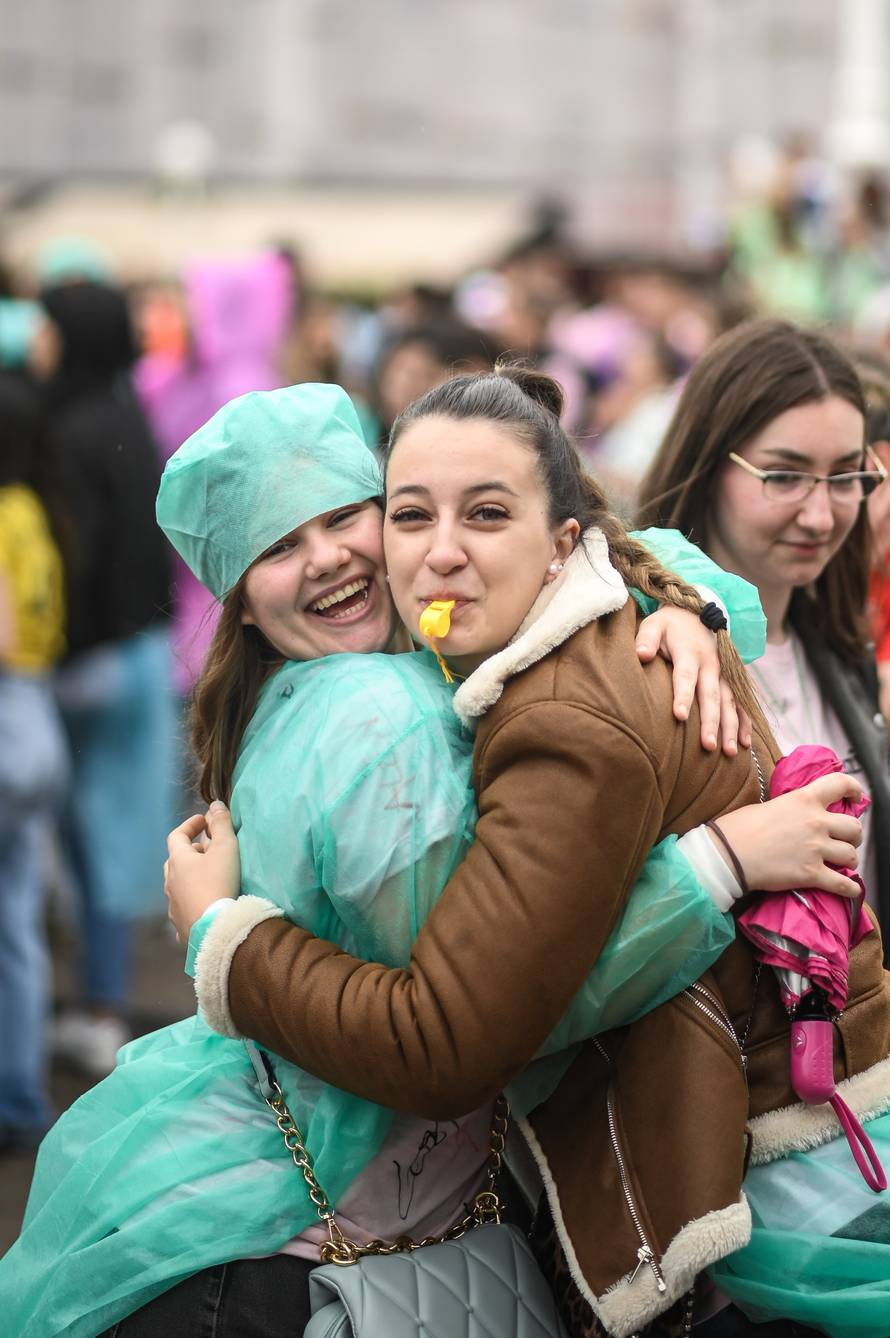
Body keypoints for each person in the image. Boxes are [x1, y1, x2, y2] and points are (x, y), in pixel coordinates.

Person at [2, 376, 853, 1338]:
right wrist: (719, 866)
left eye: (345, 517)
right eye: (280, 547)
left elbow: (622, 549)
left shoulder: (398, 666)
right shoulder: (375, 726)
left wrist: (672, 609)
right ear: (240, 605)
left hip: (265, 1203)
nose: (326, 558)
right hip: (277, 1254)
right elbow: (488, 1018)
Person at [638, 318, 890, 945]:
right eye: (783, 475)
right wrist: (726, 859)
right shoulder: (651, 648)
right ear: (709, 463)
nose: (819, 513)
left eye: (844, 477)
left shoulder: (838, 645)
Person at [35, 279, 177, 1076]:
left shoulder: (70, 425)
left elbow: (77, 560)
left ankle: (93, 1007)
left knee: (79, 842)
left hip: (88, 661)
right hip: (140, 651)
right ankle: (102, 1000)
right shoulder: (126, 409)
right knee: (114, 835)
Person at [0, 371, 67, 1154]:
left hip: (7, 718)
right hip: (37, 715)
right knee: (18, 923)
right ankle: (20, 1096)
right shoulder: (30, 507)